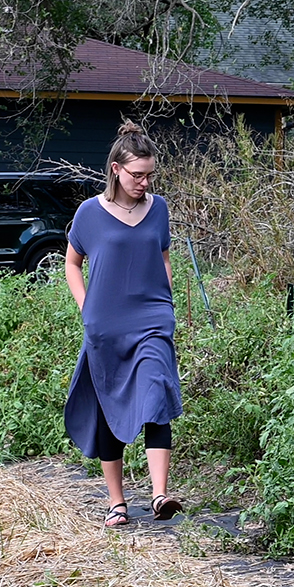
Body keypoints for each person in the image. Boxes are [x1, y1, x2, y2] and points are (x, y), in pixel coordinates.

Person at [64, 121, 184, 528]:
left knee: (156, 394)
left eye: (149, 174)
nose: (144, 182)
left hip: (151, 320)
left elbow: (164, 257)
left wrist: (167, 303)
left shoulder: (159, 208)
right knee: (108, 406)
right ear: (116, 169)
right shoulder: (89, 213)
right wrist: (87, 308)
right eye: (137, 174)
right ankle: (117, 502)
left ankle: (159, 494)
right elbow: (72, 263)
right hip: (106, 326)